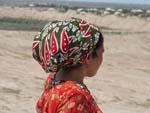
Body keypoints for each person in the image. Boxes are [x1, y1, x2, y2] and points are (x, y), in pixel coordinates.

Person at [32, 17, 104, 113]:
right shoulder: (75, 96)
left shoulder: (53, 78)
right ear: (88, 57)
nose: (102, 59)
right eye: (101, 52)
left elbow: (40, 108)